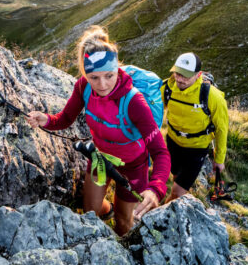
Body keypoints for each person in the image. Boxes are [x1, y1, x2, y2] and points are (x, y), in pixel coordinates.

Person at [26, 26, 170, 235]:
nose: (102, 85)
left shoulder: (134, 102)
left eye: (109, 76)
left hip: (133, 167)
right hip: (100, 158)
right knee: (90, 212)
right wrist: (45, 119)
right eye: (94, 77)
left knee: (123, 224)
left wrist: (156, 188)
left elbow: (160, 152)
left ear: (117, 69)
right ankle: (108, 210)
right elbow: (65, 118)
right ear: (85, 74)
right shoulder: (83, 87)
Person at [160, 52, 229, 203]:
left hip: (196, 149)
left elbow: (222, 129)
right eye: (177, 73)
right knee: (176, 176)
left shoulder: (213, 97)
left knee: (177, 193)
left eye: (185, 75)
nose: (179, 79)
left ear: (198, 75)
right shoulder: (167, 88)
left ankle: (160, 217)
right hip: (172, 142)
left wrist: (219, 159)